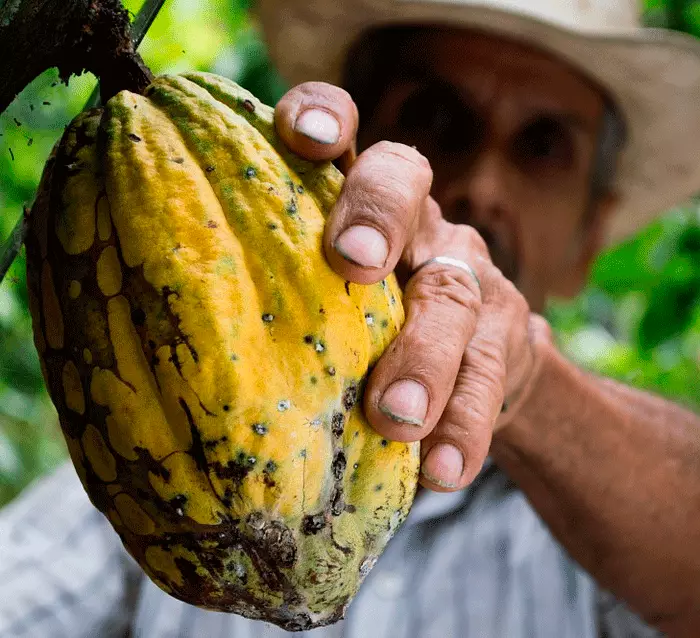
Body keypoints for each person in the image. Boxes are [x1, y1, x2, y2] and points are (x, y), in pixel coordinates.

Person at [2, 0, 700, 636]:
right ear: (345, 150)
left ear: (592, 232)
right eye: (435, 117)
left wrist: (528, 384)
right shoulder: (156, 454)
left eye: (543, 145)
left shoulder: (614, 541)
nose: (484, 184)